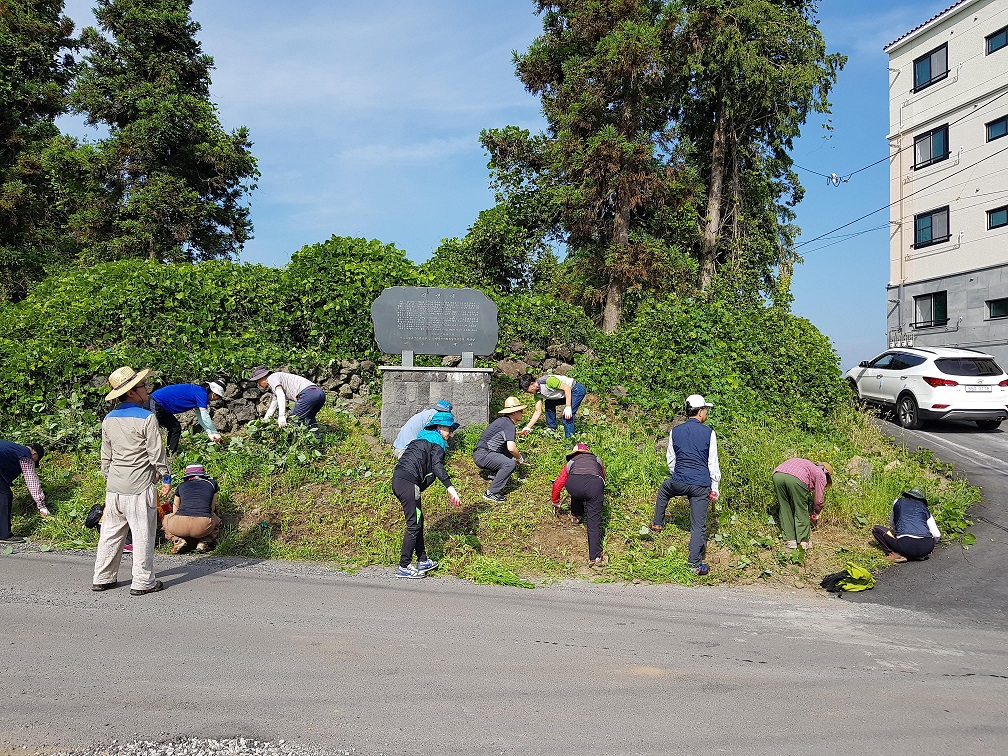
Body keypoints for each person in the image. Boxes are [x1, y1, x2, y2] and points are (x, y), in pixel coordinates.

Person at [92, 366, 171, 596]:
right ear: (131, 392)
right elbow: (156, 453)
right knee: (143, 534)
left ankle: (103, 577)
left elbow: (106, 455)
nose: (146, 389)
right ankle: (143, 581)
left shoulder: (109, 419)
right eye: (142, 386)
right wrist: (165, 476)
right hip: (139, 486)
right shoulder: (147, 418)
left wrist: (110, 476)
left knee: (110, 533)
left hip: (114, 487)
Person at [643, 394, 721, 576]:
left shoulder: (675, 431)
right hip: (701, 485)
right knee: (698, 526)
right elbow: (713, 463)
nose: (706, 412)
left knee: (664, 490)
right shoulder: (709, 432)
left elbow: (671, 459)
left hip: (678, 481)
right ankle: (694, 564)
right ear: (701, 412)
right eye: (706, 409)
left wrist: (679, 475)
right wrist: (715, 487)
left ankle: (657, 524)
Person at [391, 410, 461, 578]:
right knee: (414, 524)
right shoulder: (437, 442)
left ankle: (422, 560)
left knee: (418, 521)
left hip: (401, 481)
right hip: (408, 483)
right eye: (449, 429)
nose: (451, 434)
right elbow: (437, 467)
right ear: (439, 427)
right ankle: (404, 565)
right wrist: (450, 488)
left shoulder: (422, 439)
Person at [551, 442, 607, 566]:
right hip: (594, 484)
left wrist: (555, 501)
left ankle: (576, 516)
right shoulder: (597, 460)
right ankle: (595, 557)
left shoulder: (571, 463)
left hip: (574, 484)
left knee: (576, 493)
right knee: (594, 522)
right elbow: (603, 476)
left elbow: (558, 484)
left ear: (574, 454)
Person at [473, 397, 527, 504]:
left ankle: (494, 474)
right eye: (521, 411)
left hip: (481, 454)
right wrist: (519, 458)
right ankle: (491, 493)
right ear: (514, 413)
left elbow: (499, 436)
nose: (522, 413)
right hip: (484, 455)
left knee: (507, 450)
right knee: (510, 464)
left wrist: (518, 433)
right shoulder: (509, 425)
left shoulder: (503, 421)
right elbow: (512, 448)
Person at [771, 458, 833, 550]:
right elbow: (819, 501)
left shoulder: (808, 465)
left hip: (777, 475)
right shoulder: (821, 474)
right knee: (801, 508)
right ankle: (804, 541)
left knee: (785, 507)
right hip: (796, 478)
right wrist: (816, 513)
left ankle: (790, 540)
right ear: (827, 475)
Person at [249, 366, 325, 439]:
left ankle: (292, 445)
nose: (258, 384)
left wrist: (281, 416)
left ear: (263, 377)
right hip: (319, 394)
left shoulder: (271, 378)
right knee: (309, 418)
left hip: (309, 394)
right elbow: (273, 406)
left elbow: (280, 394)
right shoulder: (277, 381)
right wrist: (264, 422)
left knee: (293, 421)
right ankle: (317, 441)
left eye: (258, 381)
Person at [149, 381, 225, 453]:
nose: (216, 400)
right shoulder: (202, 394)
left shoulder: (199, 393)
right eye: (218, 397)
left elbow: (200, 418)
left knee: (175, 428)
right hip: (156, 401)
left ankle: (170, 454)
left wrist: (210, 434)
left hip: (163, 407)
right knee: (152, 431)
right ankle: (150, 455)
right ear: (214, 394)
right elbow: (205, 417)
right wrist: (216, 433)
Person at [163, 463, 222, 555]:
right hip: (202, 525)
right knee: (216, 519)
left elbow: (175, 508)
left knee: (166, 518)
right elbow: (212, 508)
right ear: (203, 474)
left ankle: (177, 540)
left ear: (187, 476)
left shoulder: (181, 485)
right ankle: (204, 542)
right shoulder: (212, 484)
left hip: (179, 524)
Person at [872, 488, 941, 561]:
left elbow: (892, 522)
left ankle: (894, 553)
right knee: (921, 542)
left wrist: (897, 534)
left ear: (907, 495)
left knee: (876, 529)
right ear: (922, 500)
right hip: (926, 547)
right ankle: (919, 555)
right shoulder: (925, 508)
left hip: (906, 545)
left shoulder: (898, 502)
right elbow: (937, 535)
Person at [0, 440, 47, 543]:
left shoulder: (13, 448)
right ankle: (4, 535)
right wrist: (41, 505)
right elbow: (32, 481)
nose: (34, 463)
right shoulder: (25, 455)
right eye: (36, 461)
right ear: (34, 454)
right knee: (5, 495)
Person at [517, 373, 587, 439]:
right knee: (549, 403)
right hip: (565, 395)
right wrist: (528, 427)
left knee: (567, 416)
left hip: (576, 390)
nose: (527, 393)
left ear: (532, 384)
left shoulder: (548, 381)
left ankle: (570, 439)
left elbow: (567, 388)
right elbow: (538, 411)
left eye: (526, 390)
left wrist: (568, 407)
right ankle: (552, 427)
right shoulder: (537, 394)